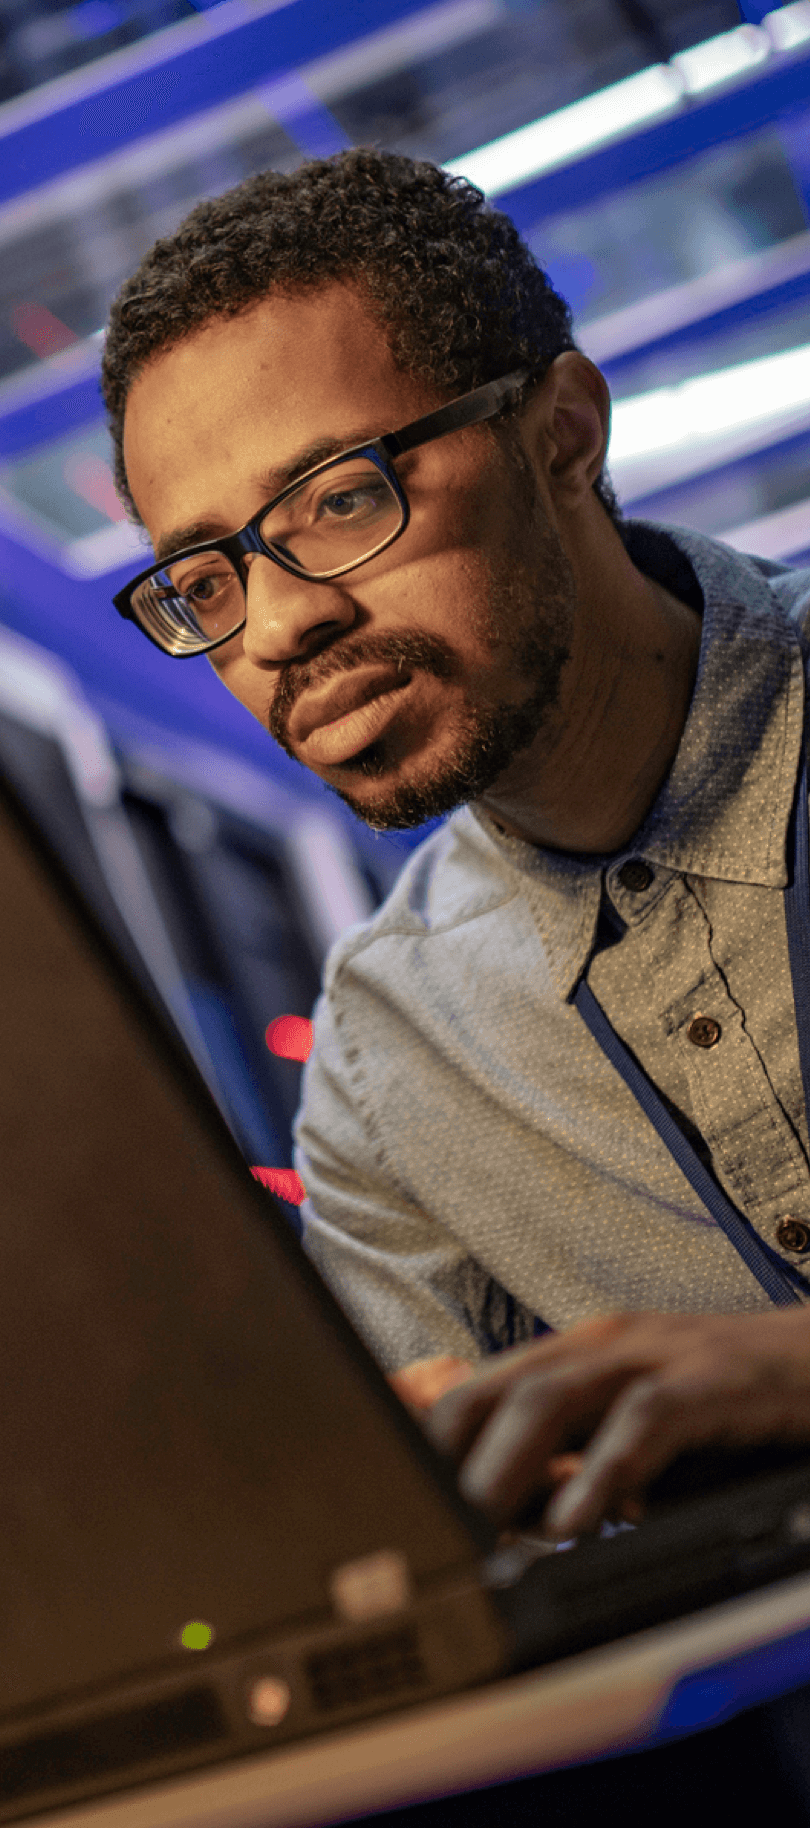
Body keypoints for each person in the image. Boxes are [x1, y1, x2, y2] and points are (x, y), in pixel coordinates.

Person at [100, 147, 810, 1535]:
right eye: (206, 579)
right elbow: (427, 1563)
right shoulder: (384, 1063)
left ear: (563, 433)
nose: (278, 625)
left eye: (342, 497)